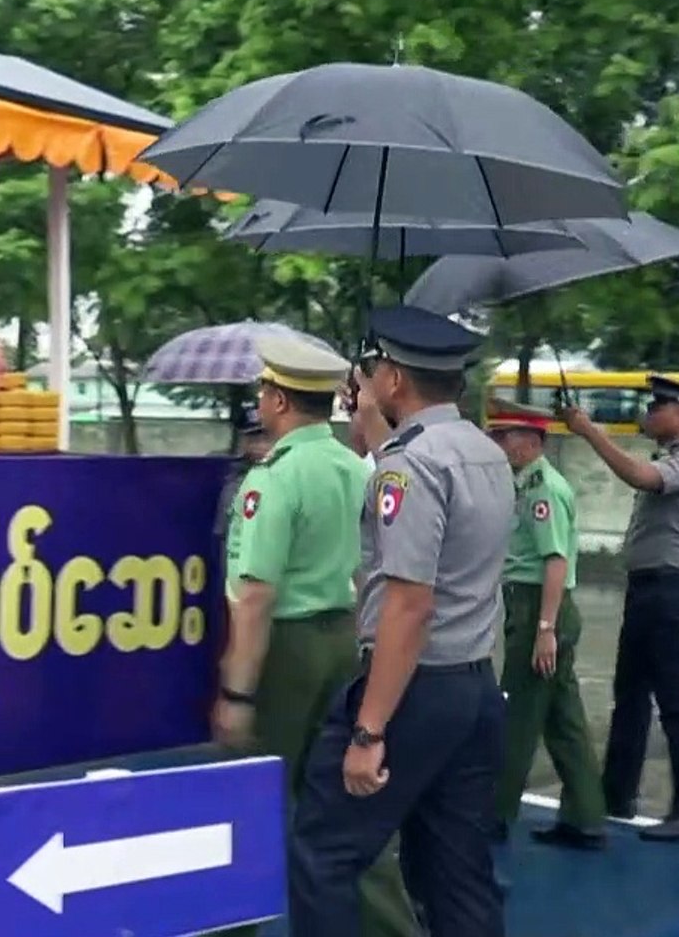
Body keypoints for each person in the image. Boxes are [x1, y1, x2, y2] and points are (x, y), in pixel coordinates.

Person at [287, 306, 512, 937]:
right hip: (473, 685)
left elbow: (410, 605)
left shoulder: (408, 465)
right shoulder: (484, 452)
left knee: (324, 853)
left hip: (413, 687)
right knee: (457, 871)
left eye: (377, 367)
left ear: (394, 379)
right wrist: (372, 424)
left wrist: (368, 731)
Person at [212, 334, 419, 937]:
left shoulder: (272, 479)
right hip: (345, 638)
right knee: (348, 802)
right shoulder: (357, 468)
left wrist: (237, 694)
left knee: (249, 797)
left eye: (264, 390)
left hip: (286, 650)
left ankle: (231, 926)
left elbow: (255, 597)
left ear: (278, 400)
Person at [558, 374, 679, 842]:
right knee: (629, 696)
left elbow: (639, 476)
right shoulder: (669, 458)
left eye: (657, 407)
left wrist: (589, 431)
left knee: (677, 703)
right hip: (647, 590)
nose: (648, 413)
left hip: (669, 591)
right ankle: (617, 793)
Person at [486, 400, 607, 849]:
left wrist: (544, 629)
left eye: (505, 436)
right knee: (563, 719)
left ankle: (495, 813)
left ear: (531, 439)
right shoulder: (527, 483)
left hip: (539, 605)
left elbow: (555, 561)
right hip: (536, 606)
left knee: (517, 715)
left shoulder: (543, 490)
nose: (499, 444)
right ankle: (586, 816)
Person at [215, 403, 276, 566]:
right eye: (253, 439)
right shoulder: (235, 479)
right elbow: (225, 534)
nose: (260, 446)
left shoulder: (290, 474)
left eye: (266, 438)